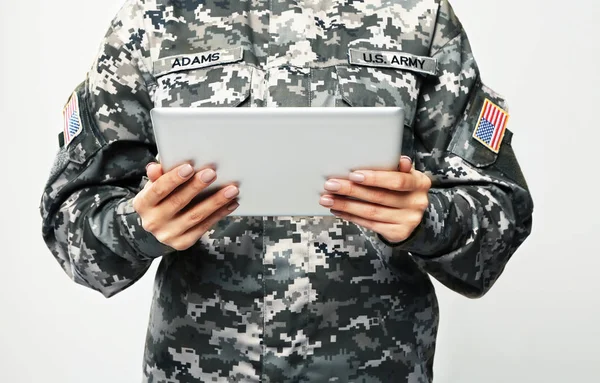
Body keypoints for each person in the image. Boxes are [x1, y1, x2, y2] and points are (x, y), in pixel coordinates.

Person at [40, 0, 533, 381]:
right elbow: (70, 221)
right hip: (199, 367)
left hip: (377, 368)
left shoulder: (420, 16)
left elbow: (500, 211)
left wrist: (429, 218)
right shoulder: (151, 19)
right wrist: (137, 225)